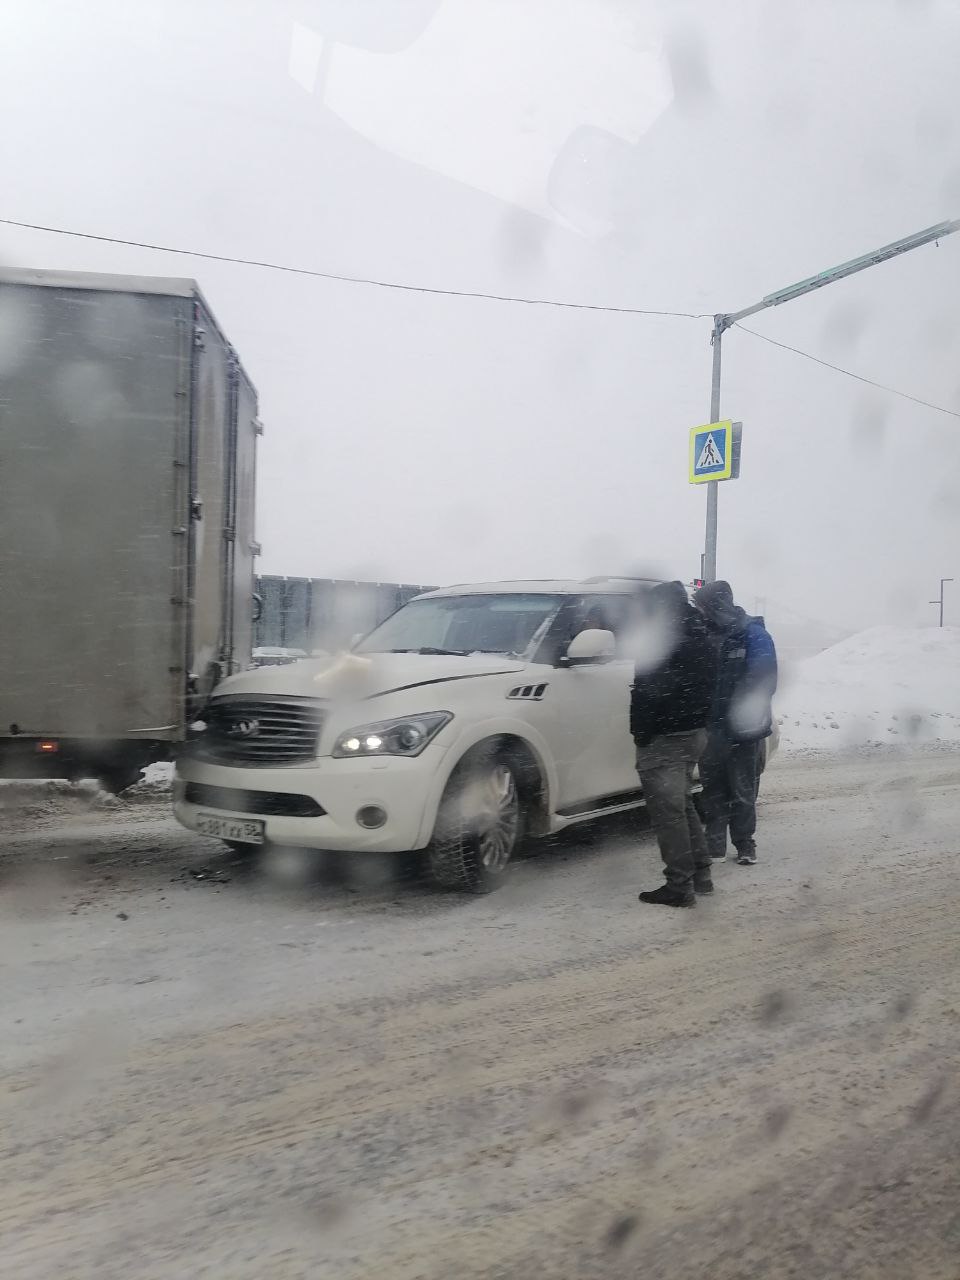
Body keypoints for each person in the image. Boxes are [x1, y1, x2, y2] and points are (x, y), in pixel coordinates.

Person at [629, 581, 719, 908]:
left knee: (669, 815)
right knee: (681, 805)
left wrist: (641, 733)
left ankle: (679, 885)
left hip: (664, 738)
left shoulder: (661, 639)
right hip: (695, 733)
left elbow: (648, 693)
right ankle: (701, 874)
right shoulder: (702, 633)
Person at [694, 581, 778, 867]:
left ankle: (745, 845)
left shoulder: (752, 634)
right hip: (712, 730)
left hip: (744, 731)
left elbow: (764, 679)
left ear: (716, 605)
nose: (699, 612)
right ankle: (714, 845)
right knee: (712, 789)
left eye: (703, 606)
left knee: (742, 791)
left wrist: (734, 711)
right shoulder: (704, 634)